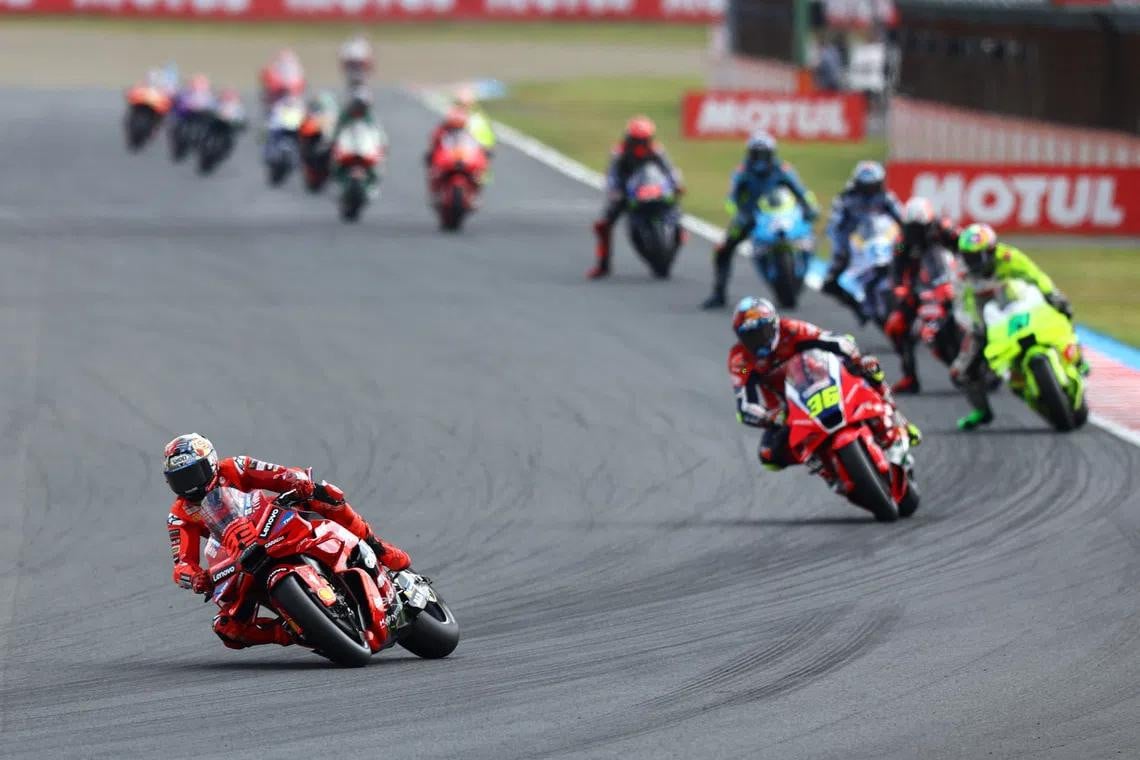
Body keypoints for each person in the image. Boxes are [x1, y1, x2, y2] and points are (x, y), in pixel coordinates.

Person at [164, 434, 410, 649]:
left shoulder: (235, 467)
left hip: (268, 520)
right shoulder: (179, 515)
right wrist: (194, 577)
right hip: (237, 552)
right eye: (179, 480)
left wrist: (297, 481)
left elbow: (279, 473)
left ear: (210, 463)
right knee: (227, 628)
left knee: (326, 495)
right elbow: (182, 563)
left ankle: (376, 546)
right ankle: (294, 629)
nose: (189, 486)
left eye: (192, 474)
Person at [728, 297, 922, 473]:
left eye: (762, 332)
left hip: (822, 382)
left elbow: (834, 340)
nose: (759, 341)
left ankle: (898, 420)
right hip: (787, 410)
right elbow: (745, 404)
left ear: (774, 325)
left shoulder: (792, 331)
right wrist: (770, 416)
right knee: (769, 456)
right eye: (750, 337)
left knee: (870, 368)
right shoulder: (744, 363)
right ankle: (823, 466)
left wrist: (856, 358)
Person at [950, 224, 1088, 430]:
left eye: (978, 255)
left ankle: (1079, 360)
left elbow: (1034, 274)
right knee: (962, 371)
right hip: (985, 316)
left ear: (991, 250)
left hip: (1015, 303)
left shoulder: (1007, 257)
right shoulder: (961, 274)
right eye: (969, 257)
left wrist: (1052, 294)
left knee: (1062, 309)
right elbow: (960, 306)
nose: (974, 262)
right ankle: (982, 411)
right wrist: (973, 325)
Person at [701, 130, 819, 309]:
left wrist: (809, 209)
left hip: (782, 216)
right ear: (750, 154)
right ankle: (719, 293)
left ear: (772, 154)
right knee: (723, 249)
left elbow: (801, 192)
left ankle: (800, 274)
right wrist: (743, 214)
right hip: (753, 218)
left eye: (764, 154)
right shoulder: (742, 172)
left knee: (809, 238)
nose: (760, 160)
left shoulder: (783, 169)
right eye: (757, 154)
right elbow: (732, 199)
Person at [588, 116, 684, 280]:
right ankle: (603, 265)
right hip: (627, 193)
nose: (641, 144)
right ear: (629, 138)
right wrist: (615, 191)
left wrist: (677, 185)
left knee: (677, 217)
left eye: (644, 140)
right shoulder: (619, 153)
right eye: (637, 140)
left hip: (654, 189)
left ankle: (678, 239)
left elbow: (670, 170)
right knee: (603, 225)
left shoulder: (657, 151)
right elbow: (612, 175)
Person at [882, 197, 961, 393]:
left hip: (951, 283)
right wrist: (899, 288)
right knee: (895, 326)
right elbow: (896, 268)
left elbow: (966, 246)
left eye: (919, 227)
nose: (915, 232)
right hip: (920, 290)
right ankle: (910, 377)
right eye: (912, 227)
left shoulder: (944, 229)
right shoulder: (902, 241)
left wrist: (963, 275)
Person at [822, 160, 904, 322]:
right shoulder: (846, 199)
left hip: (882, 239)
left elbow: (901, 216)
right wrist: (841, 245)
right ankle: (856, 305)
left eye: (873, 186)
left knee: (905, 255)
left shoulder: (887, 197)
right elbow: (835, 224)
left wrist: (904, 233)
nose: (870, 190)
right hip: (854, 242)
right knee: (830, 281)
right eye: (866, 186)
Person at [259, 49, 305, 115]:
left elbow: (298, 87)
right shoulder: (272, 72)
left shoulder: (297, 74)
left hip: (292, 105)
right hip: (277, 104)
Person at [453, 87, 496, 155]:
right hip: (458, 152)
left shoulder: (478, 118)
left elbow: (487, 139)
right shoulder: (453, 116)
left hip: (474, 153)